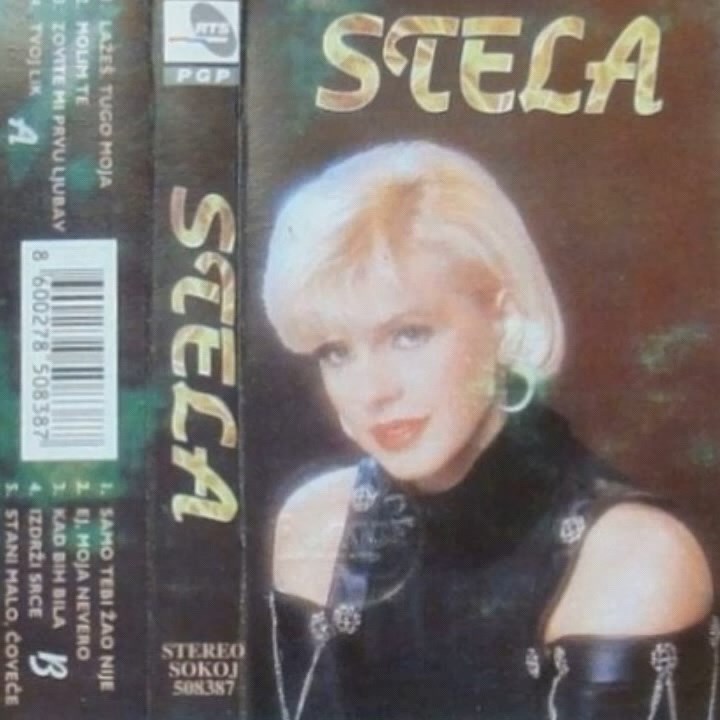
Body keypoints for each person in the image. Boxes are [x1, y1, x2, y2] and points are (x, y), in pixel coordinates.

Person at [261, 141, 717, 720]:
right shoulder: (317, 526)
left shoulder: (633, 559)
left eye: (408, 335)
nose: (372, 390)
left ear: (502, 315)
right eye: (337, 351)